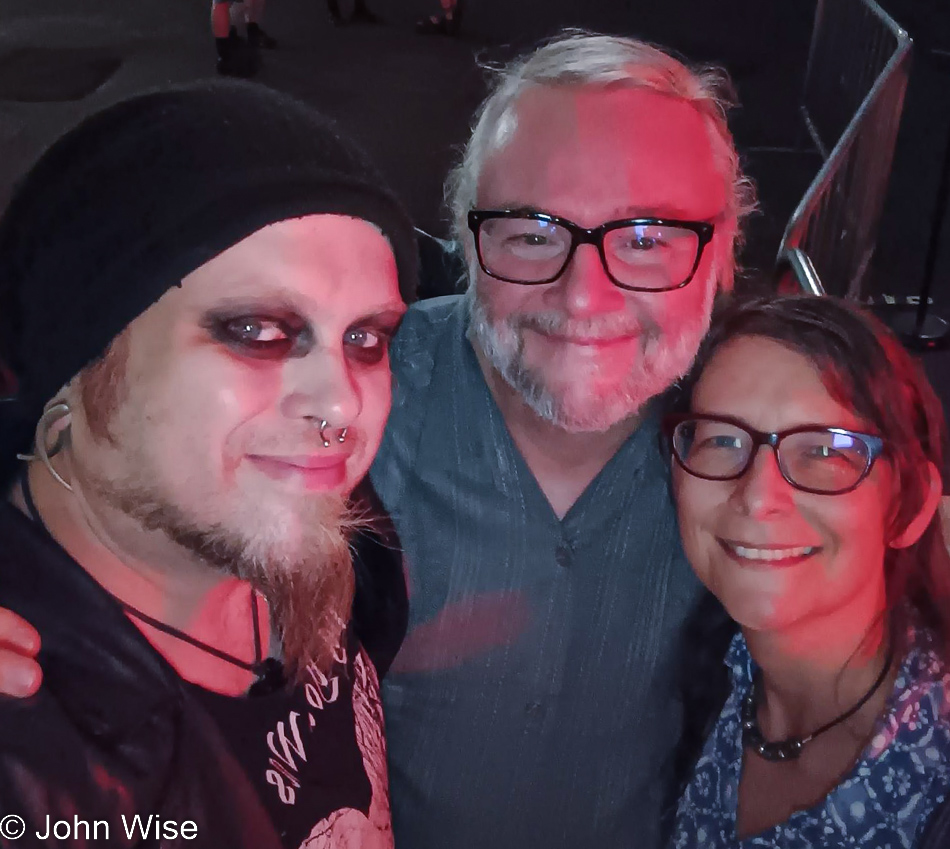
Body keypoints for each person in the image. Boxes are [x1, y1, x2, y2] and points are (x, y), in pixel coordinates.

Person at [0, 32, 755, 849]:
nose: (582, 298)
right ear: (469, 243)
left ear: (724, 255)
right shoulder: (341, 445)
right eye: (531, 232)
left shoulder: (760, 447)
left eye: (648, 238)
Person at [0, 78, 418, 847]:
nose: (344, 404)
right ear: (78, 361)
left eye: (366, 339)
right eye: (256, 329)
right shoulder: (27, 758)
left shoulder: (311, 531)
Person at [665, 295, 950, 847]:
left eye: (826, 450)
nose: (757, 498)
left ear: (910, 506)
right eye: (722, 439)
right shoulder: (700, 675)